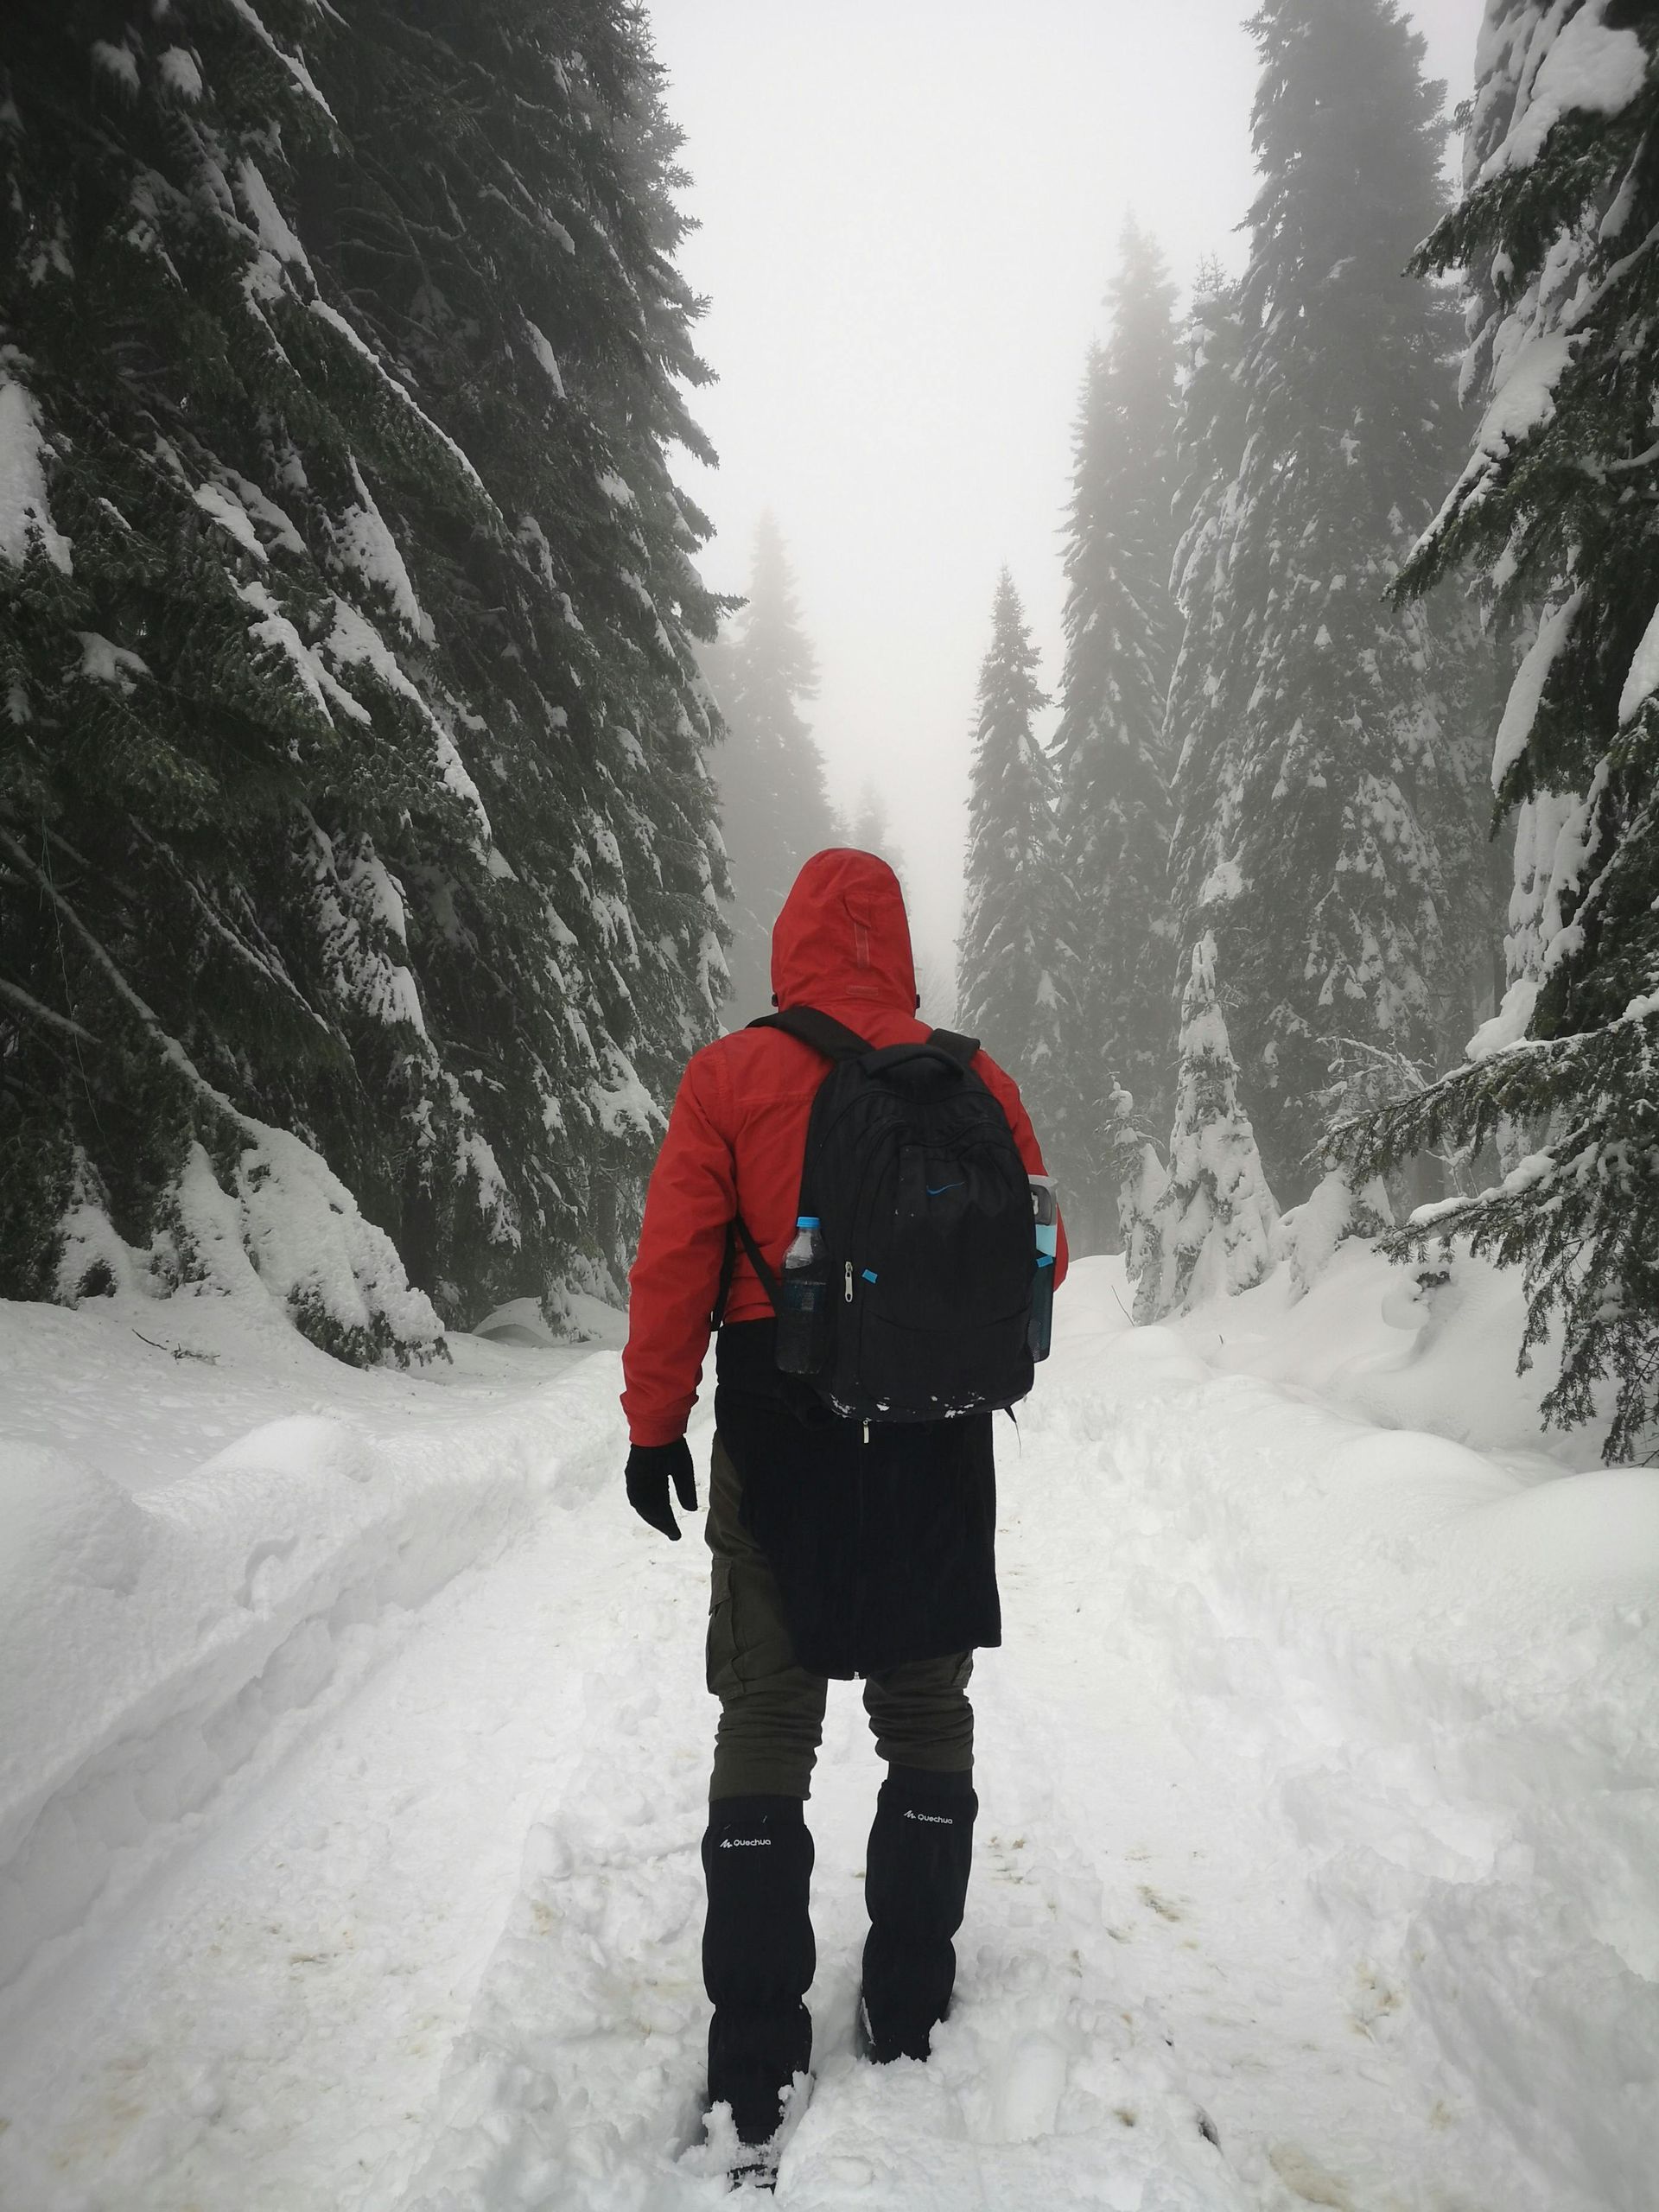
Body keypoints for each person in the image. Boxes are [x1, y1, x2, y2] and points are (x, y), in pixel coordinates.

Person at [620, 846, 1066, 2180]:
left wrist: (654, 1426)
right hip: (935, 1435)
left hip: (779, 1419)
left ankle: (753, 2062)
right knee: (925, 1707)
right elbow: (1036, 1254)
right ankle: (910, 2006)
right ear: (899, 944)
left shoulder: (731, 1076)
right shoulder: (976, 1081)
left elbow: (676, 1262)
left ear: (793, 938)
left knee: (769, 1712)